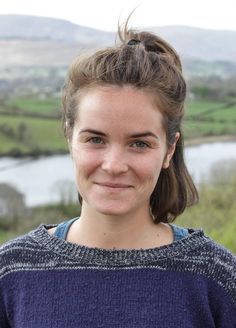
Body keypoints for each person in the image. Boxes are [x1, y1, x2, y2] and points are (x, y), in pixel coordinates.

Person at [0, 19, 235, 328]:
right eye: (95, 139)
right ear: (69, 136)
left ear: (169, 149)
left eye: (139, 143)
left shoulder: (216, 277)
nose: (113, 165)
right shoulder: (13, 271)